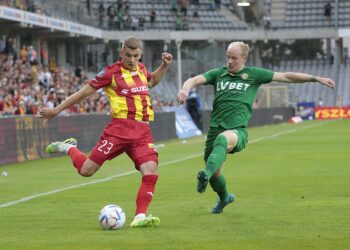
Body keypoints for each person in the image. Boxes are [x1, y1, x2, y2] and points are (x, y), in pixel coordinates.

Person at [177, 41, 335, 214]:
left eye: (234, 58)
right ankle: (224, 198)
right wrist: (185, 89)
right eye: (227, 57)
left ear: (244, 59)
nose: (229, 61)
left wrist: (316, 78)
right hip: (215, 129)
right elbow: (194, 79)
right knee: (216, 177)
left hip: (237, 131)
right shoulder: (218, 74)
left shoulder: (254, 74)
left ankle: (204, 174)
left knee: (221, 145)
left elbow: (286, 76)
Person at [38, 37, 173, 227]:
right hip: (119, 130)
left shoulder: (142, 69)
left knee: (150, 171)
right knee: (87, 171)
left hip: (142, 131)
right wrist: (56, 110)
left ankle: (140, 217)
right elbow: (84, 92)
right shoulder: (110, 73)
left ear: (140, 55)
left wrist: (164, 66)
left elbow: (152, 82)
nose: (132, 59)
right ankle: (68, 147)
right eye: (128, 55)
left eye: (135, 56)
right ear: (121, 52)